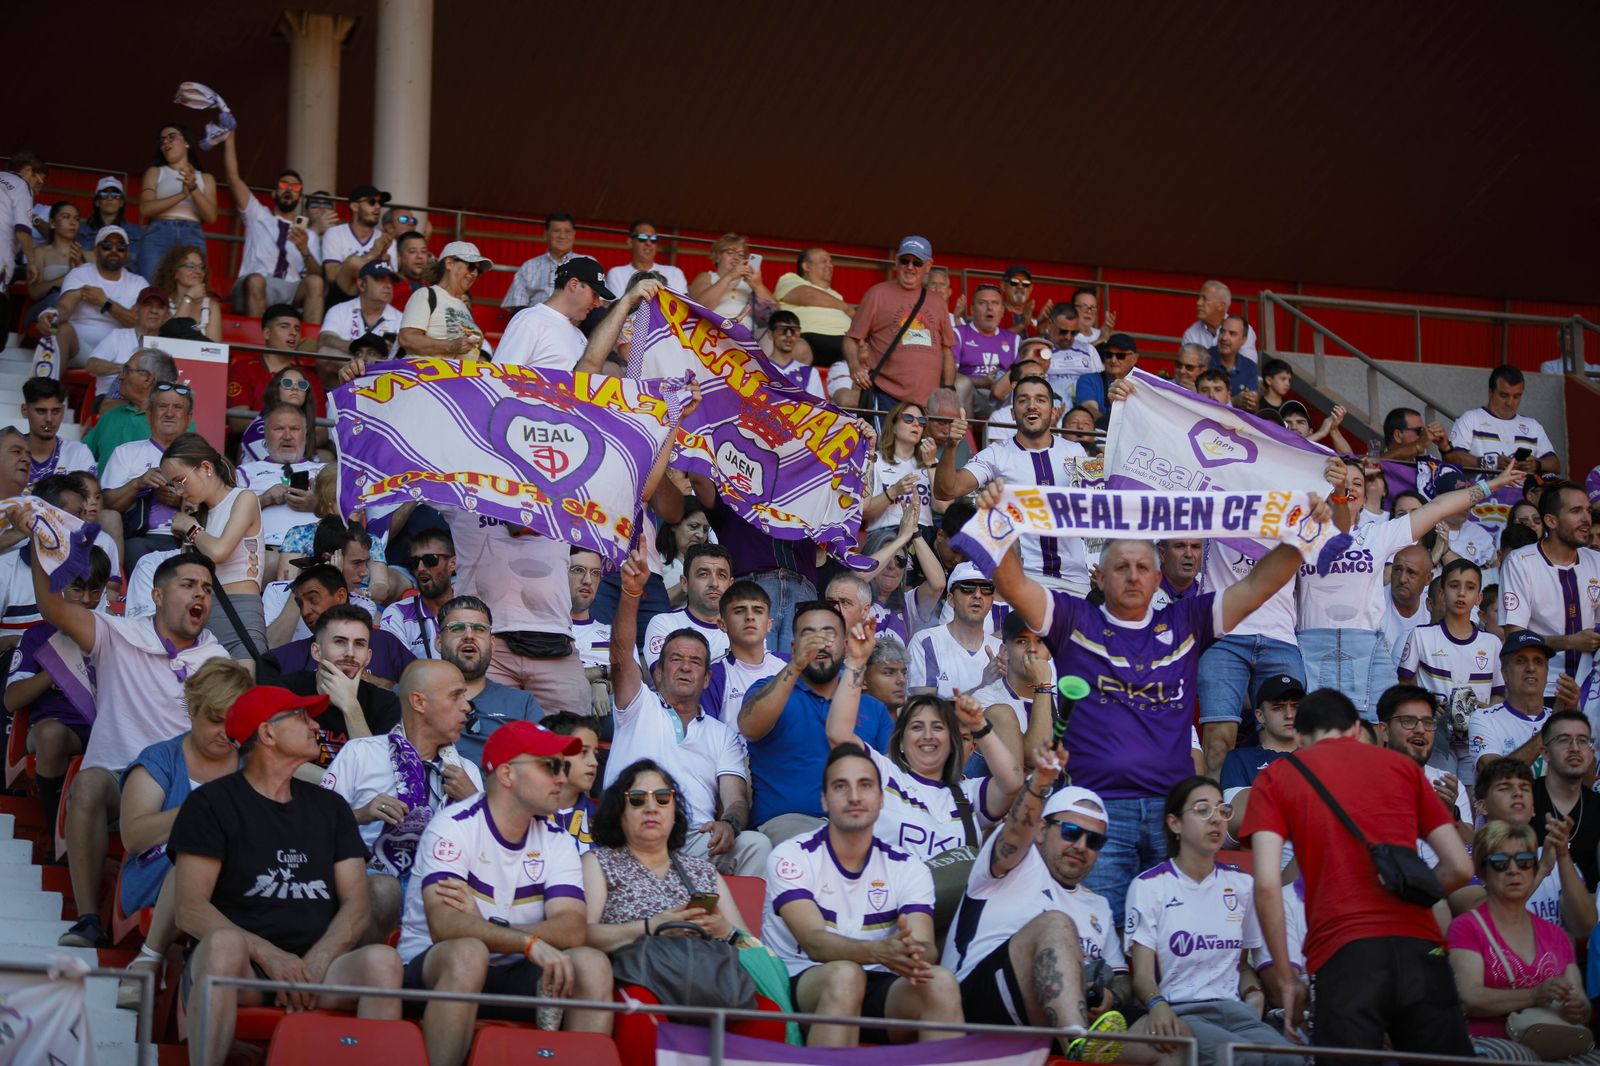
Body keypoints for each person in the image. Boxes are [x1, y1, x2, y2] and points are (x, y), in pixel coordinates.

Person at [977, 462, 1325, 923]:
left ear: (1158, 579)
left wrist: (1301, 537)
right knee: (1104, 937)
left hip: (1172, 812)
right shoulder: (1072, 619)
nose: (1133, 576)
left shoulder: (1188, 620)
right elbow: (1013, 584)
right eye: (1121, 567)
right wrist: (994, 524)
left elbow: (1259, 585)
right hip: (1098, 812)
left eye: (1143, 567)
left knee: (1172, 937)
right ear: (1099, 578)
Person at [172, 684, 403, 1066]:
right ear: (267, 733)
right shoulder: (211, 804)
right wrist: (271, 957)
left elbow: (357, 902)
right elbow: (190, 910)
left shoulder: (331, 807)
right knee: (222, 945)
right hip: (243, 970)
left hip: (318, 969)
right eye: (301, 717)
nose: (315, 725)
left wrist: (315, 962)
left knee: (383, 962)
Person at [1242, 688, 1474, 1054]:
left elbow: (1268, 886)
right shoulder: (1403, 768)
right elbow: (1460, 867)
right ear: (1354, 729)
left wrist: (1288, 980)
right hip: (1423, 949)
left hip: (1345, 956)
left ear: (1299, 737)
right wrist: (1408, 890)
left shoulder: (1278, 776)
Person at [26, 543, 230, 951]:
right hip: (120, 774)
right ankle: (88, 919)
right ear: (156, 596)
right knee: (85, 785)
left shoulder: (217, 658)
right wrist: (39, 543)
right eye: (189, 585)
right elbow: (53, 609)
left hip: (182, 782)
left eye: (207, 589)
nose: (200, 595)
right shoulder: (118, 633)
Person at [397, 721, 612, 1066]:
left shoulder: (557, 838)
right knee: (468, 953)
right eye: (550, 766)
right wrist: (526, 942)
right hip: (434, 971)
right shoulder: (454, 826)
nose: (562, 776)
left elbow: (572, 927)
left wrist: (490, 927)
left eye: (562, 766)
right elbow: (445, 926)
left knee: (592, 964)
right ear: (508, 775)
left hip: (515, 972)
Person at [763, 743, 964, 1047]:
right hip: (800, 984)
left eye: (865, 785)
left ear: (881, 799)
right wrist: (879, 952)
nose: (854, 796)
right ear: (824, 800)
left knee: (941, 982)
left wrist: (912, 952)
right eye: (841, 786)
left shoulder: (908, 867)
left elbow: (924, 947)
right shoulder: (792, 856)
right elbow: (815, 942)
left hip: (876, 985)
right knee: (845, 976)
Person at [1297, 461, 1522, 714]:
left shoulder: (1377, 535)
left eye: (1357, 483)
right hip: (1310, 646)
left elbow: (1438, 507)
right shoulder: (1298, 534)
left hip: (1365, 649)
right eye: (1339, 479)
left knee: (1374, 735)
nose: (1348, 487)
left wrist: (1494, 483)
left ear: (1364, 498)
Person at [607, 553, 770, 876]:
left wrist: (730, 822)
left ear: (708, 677)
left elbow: (735, 797)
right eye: (675, 659)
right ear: (656, 672)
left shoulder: (721, 733)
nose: (685, 667)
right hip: (633, 826)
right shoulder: (639, 705)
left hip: (697, 837)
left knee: (756, 845)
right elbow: (621, 655)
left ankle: (737, 929)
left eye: (695, 662)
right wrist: (630, 594)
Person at [1127, 777, 1294, 1066]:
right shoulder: (1149, 886)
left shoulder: (1241, 884)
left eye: (1222, 811)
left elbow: (1241, 965)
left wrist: (1253, 994)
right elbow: (1142, 974)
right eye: (1203, 810)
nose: (1216, 819)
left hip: (1237, 1013)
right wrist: (1157, 1004)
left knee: (1293, 1060)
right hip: (1183, 1012)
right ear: (1175, 823)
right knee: (1246, 1059)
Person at [114, 659, 252, 1009]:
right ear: (192, 710)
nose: (226, 733)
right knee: (195, 857)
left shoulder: (251, 764)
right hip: (157, 877)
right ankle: (148, 958)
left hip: (231, 882)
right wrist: (201, 813)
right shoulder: (159, 759)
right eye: (215, 720)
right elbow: (134, 836)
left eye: (235, 723)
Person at [828, 621, 1024, 861]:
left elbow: (1013, 783)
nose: (928, 735)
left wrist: (980, 727)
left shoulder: (968, 793)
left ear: (951, 739)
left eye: (938, 727)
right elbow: (839, 734)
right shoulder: (883, 773)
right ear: (901, 739)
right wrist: (856, 663)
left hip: (951, 899)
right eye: (917, 727)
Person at [321, 659, 480, 944]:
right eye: (456, 696)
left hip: (438, 886)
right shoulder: (360, 753)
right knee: (382, 890)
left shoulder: (466, 772)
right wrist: (360, 814)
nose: (466, 706)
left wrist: (472, 801)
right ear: (419, 702)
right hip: (370, 882)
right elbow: (314, 826)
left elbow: (485, 853)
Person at [740, 602, 894, 843]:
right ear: (793, 647)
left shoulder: (873, 708)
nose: (820, 642)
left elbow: (895, 780)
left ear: (845, 646)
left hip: (858, 828)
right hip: (786, 827)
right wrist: (796, 665)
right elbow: (749, 727)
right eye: (808, 634)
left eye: (829, 634)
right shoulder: (767, 689)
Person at [580, 759, 755, 962]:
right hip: (636, 982)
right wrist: (651, 927)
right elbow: (581, 935)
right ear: (619, 812)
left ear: (674, 812)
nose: (651, 808)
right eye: (637, 799)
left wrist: (726, 931)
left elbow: (753, 948)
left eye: (663, 798)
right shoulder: (600, 862)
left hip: (707, 980)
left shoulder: (703, 871)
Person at [1447, 820, 1591, 1057]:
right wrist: (1534, 995)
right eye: (1501, 863)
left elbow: (1581, 1002)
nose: (1514, 870)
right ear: (1483, 872)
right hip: (1489, 1042)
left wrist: (1576, 1008)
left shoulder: (1555, 934)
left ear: (1534, 869)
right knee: (1522, 1058)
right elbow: (1469, 997)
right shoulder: (1467, 927)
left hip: (1552, 1039)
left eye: (1524, 862)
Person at [936, 376, 1090, 593]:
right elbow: (946, 490)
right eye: (1023, 400)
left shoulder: (1076, 452)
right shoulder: (996, 454)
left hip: (1076, 579)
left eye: (1040, 400)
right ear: (1012, 412)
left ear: (1054, 410)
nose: (1032, 406)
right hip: (1020, 579)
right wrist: (952, 446)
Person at [3, 548, 110, 835]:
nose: (86, 599)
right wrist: (54, 670)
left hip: (106, 728)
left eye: (95, 590)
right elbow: (11, 700)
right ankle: (55, 835)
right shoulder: (37, 636)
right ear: (59, 586)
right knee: (50, 736)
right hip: (58, 729)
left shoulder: (115, 633)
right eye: (77, 589)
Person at [161, 434, 265, 658]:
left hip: (241, 610)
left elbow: (219, 551)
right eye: (173, 486)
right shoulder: (201, 515)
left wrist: (190, 526)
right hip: (203, 611)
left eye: (181, 481)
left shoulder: (243, 498)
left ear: (206, 467)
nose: (179, 491)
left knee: (245, 690)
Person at [1397, 558, 1503, 777]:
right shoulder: (1421, 636)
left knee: (1474, 800)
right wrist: (1427, 705)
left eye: (1470, 587)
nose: (1461, 593)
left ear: (1479, 598)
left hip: (1477, 739)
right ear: (1442, 593)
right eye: (1454, 586)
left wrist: (1487, 712)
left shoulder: (1491, 643)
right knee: (1440, 798)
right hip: (1435, 738)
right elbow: (1403, 685)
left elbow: (1499, 695)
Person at [274, 604, 404, 774]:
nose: (350, 653)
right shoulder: (286, 691)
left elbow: (377, 774)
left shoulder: (386, 703)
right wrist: (335, 785)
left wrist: (351, 707)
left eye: (359, 644)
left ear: (368, 657)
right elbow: (276, 761)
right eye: (339, 642)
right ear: (316, 651)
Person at [1500, 482, 1599, 703]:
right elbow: (1515, 637)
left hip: (1592, 690)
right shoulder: (1520, 562)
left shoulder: (1597, 562)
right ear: (1551, 521)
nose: (1586, 519)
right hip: (1541, 691)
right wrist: (1570, 642)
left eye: (1588, 511)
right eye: (1576, 511)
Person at [844, 236, 957, 413]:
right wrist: (855, 367)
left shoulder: (938, 302)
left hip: (928, 400)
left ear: (928, 266)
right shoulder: (877, 294)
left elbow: (946, 351)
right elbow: (851, 339)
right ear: (896, 262)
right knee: (885, 441)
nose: (910, 267)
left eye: (917, 263)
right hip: (887, 394)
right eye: (905, 261)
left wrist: (949, 389)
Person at [221, 129, 324, 321]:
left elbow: (318, 276)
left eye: (295, 188)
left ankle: (310, 348)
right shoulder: (257, 214)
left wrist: (304, 250)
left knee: (315, 283)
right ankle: (256, 347)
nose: (289, 190)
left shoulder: (309, 235)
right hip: (255, 283)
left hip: (289, 289)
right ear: (274, 193)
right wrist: (230, 138)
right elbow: (233, 180)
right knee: (256, 280)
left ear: (300, 198)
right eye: (284, 186)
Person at [436, 595, 545, 766]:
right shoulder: (415, 697)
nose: (469, 636)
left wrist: (475, 793)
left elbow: (542, 769)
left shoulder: (522, 704)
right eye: (457, 628)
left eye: (479, 629)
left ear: (492, 644)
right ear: (439, 642)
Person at [101, 379, 194, 572]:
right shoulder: (125, 452)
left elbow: (221, 503)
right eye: (162, 406)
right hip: (141, 537)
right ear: (149, 414)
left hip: (191, 537)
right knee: (135, 548)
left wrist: (182, 499)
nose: (169, 413)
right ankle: (121, 591)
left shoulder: (201, 456)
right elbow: (106, 504)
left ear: (188, 418)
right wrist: (138, 484)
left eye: (177, 407)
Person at [1466, 632, 1578, 786]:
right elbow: (1494, 778)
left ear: (1546, 673)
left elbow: (1587, 782)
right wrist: (1553, 725)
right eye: (1521, 661)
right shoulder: (1484, 719)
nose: (1531, 668)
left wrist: (1574, 717)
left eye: (1538, 661)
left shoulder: (1561, 718)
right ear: (1504, 673)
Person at [39, 224, 149, 366]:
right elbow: (65, 307)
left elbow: (138, 323)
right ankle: (45, 387)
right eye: (107, 246)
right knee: (59, 329)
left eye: (120, 247)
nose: (114, 250)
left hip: (118, 354)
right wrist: (51, 314)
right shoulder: (80, 274)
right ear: (96, 250)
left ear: (127, 253)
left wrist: (105, 302)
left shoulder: (138, 283)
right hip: (80, 349)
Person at [238, 401, 323, 574]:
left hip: (318, 552)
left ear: (305, 435)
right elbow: (225, 516)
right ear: (265, 435)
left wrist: (318, 504)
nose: (287, 436)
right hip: (266, 551)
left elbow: (351, 517)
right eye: (278, 429)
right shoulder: (243, 472)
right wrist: (264, 499)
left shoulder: (326, 470)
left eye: (294, 429)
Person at [496, 256, 612, 369]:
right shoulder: (530, 320)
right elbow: (500, 376)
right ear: (574, 284)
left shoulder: (579, 335)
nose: (597, 303)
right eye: (594, 295)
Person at [906, 563, 1002, 698]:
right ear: (951, 600)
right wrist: (983, 685)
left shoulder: (1001, 650)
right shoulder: (926, 642)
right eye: (967, 588)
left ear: (991, 602)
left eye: (986, 588)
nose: (977, 595)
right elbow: (925, 710)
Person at [1445, 365, 1561, 475]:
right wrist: (1492, 463)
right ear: (1490, 392)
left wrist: (1537, 464)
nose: (1510, 403)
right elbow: (1452, 458)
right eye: (1504, 395)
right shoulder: (1470, 419)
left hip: (1526, 494)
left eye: (1516, 396)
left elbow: (1555, 465)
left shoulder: (1533, 426)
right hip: (1483, 492)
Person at [136, 122, 217, 278]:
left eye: (172, 137)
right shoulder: (154, 172)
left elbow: (211, 217)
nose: (166, 142)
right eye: (162, 140)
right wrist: (181, 195)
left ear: (187, 142)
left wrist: (193, 188)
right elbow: (145, 209)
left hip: (192, 233)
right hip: (159, 231)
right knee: (152, 287)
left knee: (190, 288)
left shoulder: (206, 178)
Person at [1531, 711, 1600, 889]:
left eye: (1583, 740)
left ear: (1591, 752)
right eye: (1564, 740)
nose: (1575, 748)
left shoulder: (1596, 805)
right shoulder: (1524, 799)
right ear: (1545, 753)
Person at [701, 579, 786, 723]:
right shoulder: (713, 676)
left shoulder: (789, 664)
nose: (750, 617)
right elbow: (708, 737)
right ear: (722, 624)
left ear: (769, 624)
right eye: (739, 611)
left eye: (758, 611)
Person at [84, 348, 184, 466]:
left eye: (126, 370)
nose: (120, 376)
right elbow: (80, 457)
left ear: (148, 379)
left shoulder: (178, 423)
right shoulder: (110, 416)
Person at [395, 241, 493, 360]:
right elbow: (407, 338)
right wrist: (450, 346)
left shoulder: (465, 306)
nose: (474, 273)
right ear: (449, 263)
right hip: (427, 376)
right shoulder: (426, 295)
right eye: (471, 266)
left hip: (457, 377)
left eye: (479, 271)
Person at [642, 543, 731, 668]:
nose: (714, 584)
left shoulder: (744, 628)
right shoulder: (664, 623)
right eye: (703, 574)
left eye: (721, 575)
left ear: (730, 584)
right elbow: (665, 680)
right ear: (684, 583)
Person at [84, 285, 170, 404]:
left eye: (160, 307)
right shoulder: (118, 336)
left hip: (152, 402)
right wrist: (127, 370)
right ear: (136, 310)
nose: (154, 311)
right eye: (148, 305)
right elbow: (91, 365)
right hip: (111, 399)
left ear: (167, 315)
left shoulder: (170, 345)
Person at [379, 528, 455, 661]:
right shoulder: (397, 614)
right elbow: (397, 674)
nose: (420, 568)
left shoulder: (474, 608)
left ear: (452, 564)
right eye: (414, 562)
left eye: (430, 560)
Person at [1218, 676, 1302, 792]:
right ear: (1260, 716)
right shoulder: (1240, 760)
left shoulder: (1317, 756)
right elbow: (1237, 807)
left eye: (1296, 706)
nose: (1289, 715)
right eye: (1278, 708)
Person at [773, 246, 853, 367]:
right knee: (797, 349)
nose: (830, 265)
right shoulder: (790, 280)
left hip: (845, 342)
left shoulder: (837, 295)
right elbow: (809, 295)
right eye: (824, 261)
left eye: (831, 262)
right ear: (806, 266)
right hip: (808, 337)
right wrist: (846, 308)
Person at [321, 183, 397, 307]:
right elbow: (331, 276)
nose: (377, 207)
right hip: (340, 300)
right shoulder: (335, 233)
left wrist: (383, 258)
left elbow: (391, 282)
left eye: (380, 203)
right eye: (372, 202)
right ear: (355, 206)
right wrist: (373, 254)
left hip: (375, 301)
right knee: (353, 262)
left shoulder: (387, 240)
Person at [866, 401, 936, 534]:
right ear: (893, 427)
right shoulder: (875, 460)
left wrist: (932, 464)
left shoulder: (931, 461)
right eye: (908, 418)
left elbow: (943, 507)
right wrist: (895, 491)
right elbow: (865, 512)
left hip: (924, 531)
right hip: (887, 531)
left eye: (921, 421)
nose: (916, 424)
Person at [688, 232, 776, 336]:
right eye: (730, 253)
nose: (736, 258)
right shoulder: (707, 276)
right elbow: (700, 308)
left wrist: (758, 285)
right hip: (712, 330)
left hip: (746, 334)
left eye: (741, 255)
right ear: (717, 257)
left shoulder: (751, 282)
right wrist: (729, 276)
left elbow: (774, 316)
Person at [951, 285, 1016, 417]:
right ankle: (963, 436)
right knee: (961, 384)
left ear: (1002, 310)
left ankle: (1009, 436)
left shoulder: (1014, 340)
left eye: (995, 303)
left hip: (1003, 396)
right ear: (972, 309)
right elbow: (950, 376)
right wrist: (980, 381)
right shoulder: (958, 333)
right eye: (982, 303)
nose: (990, 308)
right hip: (972, 394)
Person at [541, 712, 601, 853]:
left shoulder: (603, 821)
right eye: (583, 752)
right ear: (554, 756)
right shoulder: (524, 816)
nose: (594, 763)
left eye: (595, 754)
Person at [19, 377, 96, 487]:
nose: (49, 419)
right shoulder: (7, 452)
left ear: (63, 410)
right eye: (41, 411)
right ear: (25, 410)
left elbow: (90, 500)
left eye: (56, 411)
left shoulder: (78, 453)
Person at [500, 211, 579, 312]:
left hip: (576, 322)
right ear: (545, 234)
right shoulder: (530, 266)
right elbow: (516, 305)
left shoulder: (588, 263)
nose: (562, 236)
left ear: (574, 235)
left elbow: (600, 301)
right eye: (556, 231)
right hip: (537, 321)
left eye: (567, 231)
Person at [567, 549, 613, 716]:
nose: (588, 580)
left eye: (595, 573)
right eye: (578, 570)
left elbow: (634, 681)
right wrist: (602, 674)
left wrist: (603, 684)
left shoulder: (614, 633)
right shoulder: (545, 630)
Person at [152, 244, 222, 342]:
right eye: (190, 266)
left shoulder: (211, 306)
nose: (198, 271)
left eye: (201, 267)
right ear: (175, 272)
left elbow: (214, 350)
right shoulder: (162, 302)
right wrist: (189, 298)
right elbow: (171, 337)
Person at [604, 220, 687, 297]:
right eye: (642, 238)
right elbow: (618, 307)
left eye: (653, 239)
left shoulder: (675, 273)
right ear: (630, 242)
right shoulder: (617, 273)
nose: (648, 243)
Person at [1384, 543, 1434, 670]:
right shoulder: (1374, 602)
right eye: (1398, 569)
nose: (1402, 579)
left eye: (1411, 573)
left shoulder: (1433, 608)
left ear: (1428, 578)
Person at [1182, 281, 1259, 359]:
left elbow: (1248, 366)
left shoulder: (1242, 330)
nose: (1198, 303)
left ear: (1221, 306)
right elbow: (1188, 368)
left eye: (1204, 299)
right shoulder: (1191, 334)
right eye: (1199, 298)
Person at [764, 310, 825, 397]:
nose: (789, 334)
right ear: (770, 334)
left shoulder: (809, 373)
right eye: (782, 330)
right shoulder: (760, 369)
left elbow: (817, 408)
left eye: (794, 330)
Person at [1152, 539, 1204, 608]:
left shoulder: (1212, 589)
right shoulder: (1142, 590)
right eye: (1180, 546)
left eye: (1195, 547)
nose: (1189, 554)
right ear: (1162, 554)